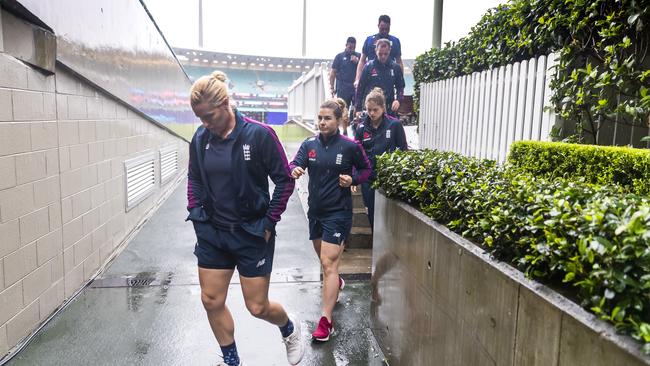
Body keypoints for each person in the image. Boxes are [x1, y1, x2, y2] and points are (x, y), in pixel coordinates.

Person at [187, 70, 303, 366]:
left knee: (257, 306)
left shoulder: (260, 135)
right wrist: (196, 214)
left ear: (225, 104)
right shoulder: (200, 138)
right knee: (211, 300)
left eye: (209, 116)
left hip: (252, 233)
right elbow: (195, 179)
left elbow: (285, 181)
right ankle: (231, 360)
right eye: (199, 118)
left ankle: (289, 328)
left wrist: (268, 223)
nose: (204, 123)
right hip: (213, 233)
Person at [289, 99, 371, 342]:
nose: (322, 122)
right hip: (316, 213)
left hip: (338, 213)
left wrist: (353, 180)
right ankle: (337, 281)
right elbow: (294, 163)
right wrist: (295, 169)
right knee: (326, 264)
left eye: (328, 118)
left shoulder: (349, 146)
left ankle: (326, 322)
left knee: (328, 264)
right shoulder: (310, 144)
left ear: (338, 120)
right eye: (320, 118)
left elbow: (367, 170)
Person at [354, 88, 408, 230]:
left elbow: (403, 151)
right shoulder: (361, 128)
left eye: (375, 110)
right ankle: (375, 245)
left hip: (389, 179)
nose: (371, 113)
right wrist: (355, 176)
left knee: (389, 216)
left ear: (383, 108)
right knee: (372, 214)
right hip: (368, 179)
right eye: (369, 109)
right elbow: (355, 155)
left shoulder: (395, 125)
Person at [355, 38, 405, 118]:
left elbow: (400, 87)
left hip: (388, 109)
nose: (383, 56)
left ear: (389, 51)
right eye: (380, 54)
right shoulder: (368, 67)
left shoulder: (395, 67)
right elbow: (360, 88)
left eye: (385, 54)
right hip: (371, 109)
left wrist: (398, 100)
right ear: (376, 50)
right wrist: (358, 109)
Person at [354, 14, 403, 89]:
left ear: (390, 26)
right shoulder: (369, 40)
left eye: (386, 29)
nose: (384, 31)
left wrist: (400, 80)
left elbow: (399, 62)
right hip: (371, 78)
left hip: (388, 79)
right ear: (378, 26)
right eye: (382, 28)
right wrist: (357, 79)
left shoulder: (395, 41)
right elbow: (362, 60)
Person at [330, 37, 360, 135]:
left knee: (357, 108)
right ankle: (344, 131)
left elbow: (364, 70)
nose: (351, 49)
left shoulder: (359, 56)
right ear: (346, 45)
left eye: (353, 47)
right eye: (350, 47)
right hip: (342, 87)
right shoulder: (339, 57)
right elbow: (333, 73)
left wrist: (358, 62)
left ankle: (356, 129)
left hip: (355, 88)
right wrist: (332, 88)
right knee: (342, 110)